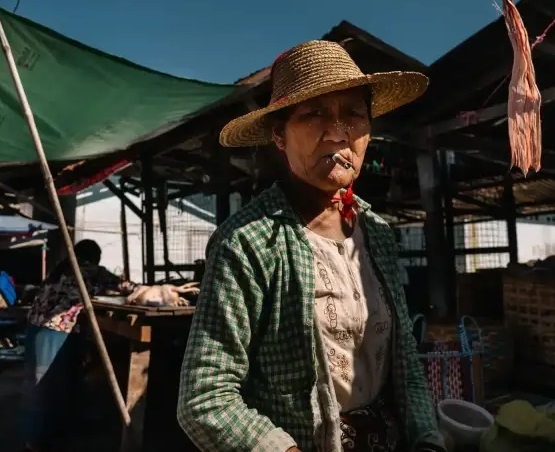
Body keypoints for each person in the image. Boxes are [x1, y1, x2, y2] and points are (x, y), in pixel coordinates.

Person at [178, 41, 444, 452]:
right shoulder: (247, 243)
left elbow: (405, 360)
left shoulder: (376, 234)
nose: (338, 130)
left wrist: (428, 438)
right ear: (279, 136)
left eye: (353, 114)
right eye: (314, 113)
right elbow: (205, 397)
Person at [21, 239, 140, 452]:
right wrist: (145, 289)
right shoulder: (88, 270)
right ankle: (38, 442)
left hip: (36, 330)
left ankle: (43, 437)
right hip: (56, 331)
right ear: (93, 258)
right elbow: (125, 287)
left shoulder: (60, 269)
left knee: (42, 383)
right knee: (47, 386)